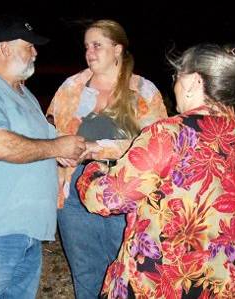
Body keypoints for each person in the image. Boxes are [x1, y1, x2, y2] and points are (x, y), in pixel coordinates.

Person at [77, 43, 235, 298]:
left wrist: (93, 170)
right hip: (215, 286)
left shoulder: (168, 134)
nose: (175, 85)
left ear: (194, 82)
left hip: (156, 284)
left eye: (177, 76)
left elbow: (105, 199)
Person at [0, 15, 86, 299]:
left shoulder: (25, 94)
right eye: (29, 45)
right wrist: (57, 148)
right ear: (4, 48)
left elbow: (46, 142)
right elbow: (1, 146)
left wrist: (65, 153)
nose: (35, 52)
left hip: (28, 229)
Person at [47, 19, 167, 298]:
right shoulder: (71, 86)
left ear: (117, 49)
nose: (89, 51)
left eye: (97, 45)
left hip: (125, 191)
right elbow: (50, 128)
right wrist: (56, 150)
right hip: (73, 191)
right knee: (85, 270)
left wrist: (95, 148)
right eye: (87, 46)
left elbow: (157, 145)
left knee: (125, 270)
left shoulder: (142, 91)